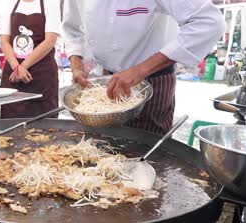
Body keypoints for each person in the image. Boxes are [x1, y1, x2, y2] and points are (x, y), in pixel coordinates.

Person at [63, 0, 225, 134]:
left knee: (148, 152)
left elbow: (210, 22)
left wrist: (140, 70)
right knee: (104, 147)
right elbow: (72, 29)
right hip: (106, 83)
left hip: (154, 80)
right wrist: (76, 65)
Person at [0, 0, 62, 118]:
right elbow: (4, 41)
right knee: (10, 121)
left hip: (41, 74)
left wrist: (23, 66)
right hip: (13, 74)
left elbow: (50, 41)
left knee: (43, 123)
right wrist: (16, 67)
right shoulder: (11, 4)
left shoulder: (50, 3)